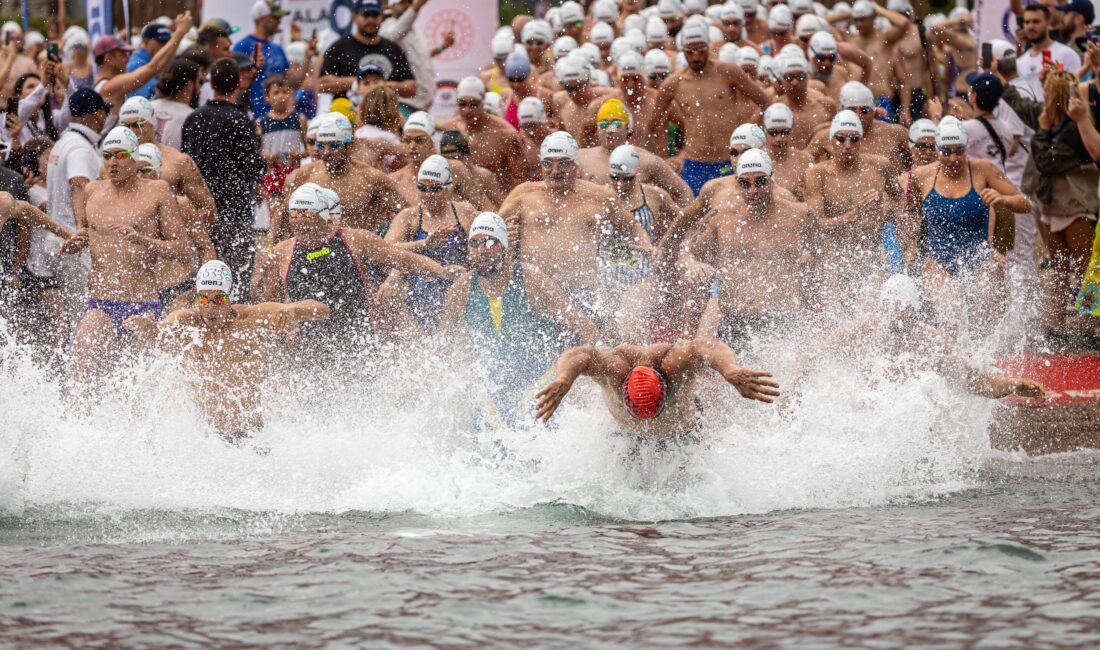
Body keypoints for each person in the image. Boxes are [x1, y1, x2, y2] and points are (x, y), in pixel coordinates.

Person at [124, 260, 331, 442]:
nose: (210, 308)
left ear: (230, 297)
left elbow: (321, 310)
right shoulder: (187, 322)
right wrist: (145, 327)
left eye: (218, 299)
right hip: (208, 440)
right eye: (203, 299)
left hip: (253, 434)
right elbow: (158, 334)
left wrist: (290, 311)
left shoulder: (251, 319)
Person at [253, 183, 462, 364]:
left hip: (357, 341)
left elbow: (402, 259)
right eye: (294, 215)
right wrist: (281, 323)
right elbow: (268, 299)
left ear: (323, 215)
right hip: (308, 347)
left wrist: (441, 272)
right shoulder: (283, 251)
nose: (299, 221)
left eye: (306, 214)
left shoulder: (355, 240)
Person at [783, 274, 1045, 410]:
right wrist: (791, 393)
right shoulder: (863, 331)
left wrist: (1013, 384)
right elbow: (811, 355)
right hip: (866, 419)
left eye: (903, 308)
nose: (895, 314)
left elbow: (975, 382)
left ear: (915, 310)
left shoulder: (931, 341)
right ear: (881, 306)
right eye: (889, 306)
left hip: (906, 421)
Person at [440, 212, 599, 423]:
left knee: (534, 425)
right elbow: (442, 346)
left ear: (505, 246)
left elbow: (587, 329)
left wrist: (572, 380)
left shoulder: (531, 281)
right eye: (474, 243)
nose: (481, 251)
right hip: (491, 391)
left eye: (490, 243)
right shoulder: (462, 290)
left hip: (539, 386)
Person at [61, 127, 189, 390]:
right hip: (101, 302)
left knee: (139, 392)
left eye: (120, 155)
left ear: (135, 158)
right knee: (81, 376)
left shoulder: (158, 191)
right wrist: (77, 242)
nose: (113, 162)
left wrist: (143, 240)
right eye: (108, 155)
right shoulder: (92, 191)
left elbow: (182, 249)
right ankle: (75, 419)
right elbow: (88, 233)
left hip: (142, 304)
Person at [500, 131, 654, 325]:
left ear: (576, 165)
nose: (555, 170)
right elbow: (491, 229)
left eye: (564, 163)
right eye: (548, 163)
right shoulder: (524, 194)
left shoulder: (599, 197)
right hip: (534, 295)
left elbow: (631, 226)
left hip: (582, 295)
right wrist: (504, 237)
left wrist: (647, 246)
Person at [1001, 66, 1099, 339]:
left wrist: (1042, 131)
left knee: (1084, 266)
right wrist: (1004, 82)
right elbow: (1023, 106)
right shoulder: (1048, 117)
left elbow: (1046, 161)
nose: (1041, 94)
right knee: (1058, 264)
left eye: (1046, 91)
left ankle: (1090, 323)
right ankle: (1056, 322)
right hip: (1051, 205)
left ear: (1055, 96)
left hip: (1075, 204)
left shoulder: (1073, 128)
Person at [533, 337, 779, 442]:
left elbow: (705, 347)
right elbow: (582, 354)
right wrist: (565, 379)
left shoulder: (674, 364)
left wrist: (729, 370)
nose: (648, 422)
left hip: (683, 433)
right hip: (626, 435)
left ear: (665, 388)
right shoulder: (615, 368)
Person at [645, 21, 769, 195]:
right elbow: (653, 126)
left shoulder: (727, 71)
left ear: (708, 47)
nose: (696, 57)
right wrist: (662, 158)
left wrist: (749, 136)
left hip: (728, 160)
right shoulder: (673, 83)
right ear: (683, 51)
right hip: (695, 163)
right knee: (694, 210)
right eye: (690, 51)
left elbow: (765, 103)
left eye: (701, 50)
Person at [182, 58, 266, 297]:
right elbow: (254, 167)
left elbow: (185, 165)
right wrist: (261, 150)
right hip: (234, 212)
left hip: (199, 214)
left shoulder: (193, 118)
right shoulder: (239, 119)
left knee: (202, 282)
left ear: (211, 83)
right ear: (238, 83)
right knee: (236, 283)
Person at [904, 121, 1030, 279]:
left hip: (979, 261)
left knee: (993, 270)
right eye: (945, 152)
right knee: (939, 281)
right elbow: (912, 214)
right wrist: (911, 246)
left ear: (967, 148)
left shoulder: (983, 170)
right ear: (937, 150)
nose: (953, 158)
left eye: (959, 151)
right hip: (937, 264)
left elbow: (1025, 204)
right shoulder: (921, 175)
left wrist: (1003, 199)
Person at [804, 110, 902, 308]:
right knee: (837, 317)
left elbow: (899, 202)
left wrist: (886, 206)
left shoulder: (880, 166)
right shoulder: (817, 175)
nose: (847, 145)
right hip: (836, 260)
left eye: (854, 139)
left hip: (873, 256)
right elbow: (817, 224)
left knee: (870, 312)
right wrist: (853, 215)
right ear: (831, 141)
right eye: (841, 139)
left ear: (861, 140)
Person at [274, 112, 405, 244]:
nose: (326, 153)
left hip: (356, 252)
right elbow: (282, 216)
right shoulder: (306, 174)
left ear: (350, 145)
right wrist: (270, 249)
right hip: (316, 252)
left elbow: (407, 214)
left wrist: (388, 243)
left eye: (334, 146)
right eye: (321, 146)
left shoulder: (370, 178)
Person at [383, 155, 479, 329]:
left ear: (449, 188)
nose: (428, 195)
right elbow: (385, 250)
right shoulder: (409, 217)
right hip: (418, 299)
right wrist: (424, 244)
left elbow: (480, 248)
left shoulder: (464, 212)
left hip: (458, 294)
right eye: (422, 188)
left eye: (435, 189)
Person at [45, 88, 109, 330]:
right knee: (84, 314)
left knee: (78, 312)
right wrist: (82, 230)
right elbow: (78, 184)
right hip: (72, 241)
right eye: (104, 114)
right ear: (98, 114)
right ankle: (78, 355)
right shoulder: (80, 147)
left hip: (59, 237)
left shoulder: (64, 142)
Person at [578, 99, 692, 207]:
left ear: (628, 128)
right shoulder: (582, 158)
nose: (610, 131)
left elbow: (684, 192)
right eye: (603, 125)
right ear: (597, 130)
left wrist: (678, 219)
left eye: (616, 124)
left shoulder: (646, 160)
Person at [92, 13, 191, 134]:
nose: (127, 58)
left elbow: (158, 66)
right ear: (108, 58)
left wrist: (179, 35)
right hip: (107, 146)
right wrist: (180, 32)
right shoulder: (108, 86)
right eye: (122, 54)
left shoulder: (105, 83)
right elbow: (153, 67)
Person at [439, 77, 529, 193]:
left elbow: (521, 180)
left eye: (473, 104)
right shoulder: (450, 128)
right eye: (462, 104)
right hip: (462, 198)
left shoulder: (506, 134)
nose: (467, 110)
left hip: (496, 198)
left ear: (483, 103)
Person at [318, 0, 416, 103]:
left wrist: (384, 85)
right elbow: (322, 84)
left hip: (386, 111)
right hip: (347, 111)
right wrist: (359, 82)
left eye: (375, 15)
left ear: (381, 17)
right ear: (354, 17)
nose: (371, 20)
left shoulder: (393, 48)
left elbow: (412, 88)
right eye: (366, 15)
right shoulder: (339, 47)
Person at [233, 0, 313, 118]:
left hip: (277, 119)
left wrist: (307, 57)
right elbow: (232, 83)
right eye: (275, 17)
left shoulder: (277, 49)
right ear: (262, 18)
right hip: (251, 116)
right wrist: (252, 69)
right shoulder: (242, 46)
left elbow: (293, 82)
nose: (279, 21)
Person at [380, 0, 444, 116]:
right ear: (392, 6)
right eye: (402, 2)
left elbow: (423, 56)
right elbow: (397, 32)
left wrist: (442, 47)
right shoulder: (386, 27)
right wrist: (417, 5)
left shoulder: (415, 31)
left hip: (422, 105)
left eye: (410, 2)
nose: (407, 6)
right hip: (403, 104)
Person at [256, 75, 307, 204]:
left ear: (290, 94)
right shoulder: (261, 123)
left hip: (294, 173)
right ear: (267, 97)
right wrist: (267, 155)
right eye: (276, 93)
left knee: (293, 209)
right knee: (275, 211)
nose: (281, 96)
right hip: (272, 175)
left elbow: (309, 150)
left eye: (284, 92)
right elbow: (257, 152)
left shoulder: (299, 120)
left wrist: (299, 154)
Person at [1017, 5, 1081, 99]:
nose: (1030, 26)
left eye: (1036, 21)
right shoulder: (1020, 62)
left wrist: (1058, 80)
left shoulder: (1067, 54)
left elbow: (1076, 92)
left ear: (1048, 22)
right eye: (1027, 22)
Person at [775, 55, 837, 148]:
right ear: (781, 80)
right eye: (788, 77)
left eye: (800, 77)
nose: (795, 83)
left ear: (808, 77)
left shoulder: (826, 105)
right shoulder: (775, 108)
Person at [762, 103, 813, 200]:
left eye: (785, 132)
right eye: (773, 133)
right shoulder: (758, 159)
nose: (779, 139)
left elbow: (816, 198)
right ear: (765, 131)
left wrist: (806, 196)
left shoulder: (805, 160)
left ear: (792, 131)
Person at [151, 59, 200, 149]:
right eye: (199, 82)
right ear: (189, 86)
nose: (200, 88)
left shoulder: (148, 106)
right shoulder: (192, 117)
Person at [125, 22, 173, 100]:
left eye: (168, 42)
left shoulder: (165, 60)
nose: (166, 46)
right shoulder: (136, 64)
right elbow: (148, 96)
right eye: (161, 42)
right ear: (146, 41)